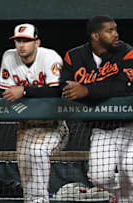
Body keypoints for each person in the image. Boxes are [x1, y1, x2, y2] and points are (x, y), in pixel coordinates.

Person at [60, 15, 133, 202]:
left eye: (115, 29)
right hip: (101, 127)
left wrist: (87, 90)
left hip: (129, 125)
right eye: (110, 31)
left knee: (130, 167)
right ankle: (125, 196)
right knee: (99, 176)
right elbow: (64, 86)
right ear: (95, 35)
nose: (116, 34)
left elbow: (125, 87)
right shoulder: (74, 56)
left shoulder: (126, 52)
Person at [0, 23, 69, 202]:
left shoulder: (50, 57)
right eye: (18, 41)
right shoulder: (9, 57)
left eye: (27, 41)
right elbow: (8, 94)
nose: (21, 45)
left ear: (37, 42)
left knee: (37, 152)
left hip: (53, 126)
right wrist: (25, 92)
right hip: (26, 127)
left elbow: (58, 91)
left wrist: (25, 91)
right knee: (27, 178)